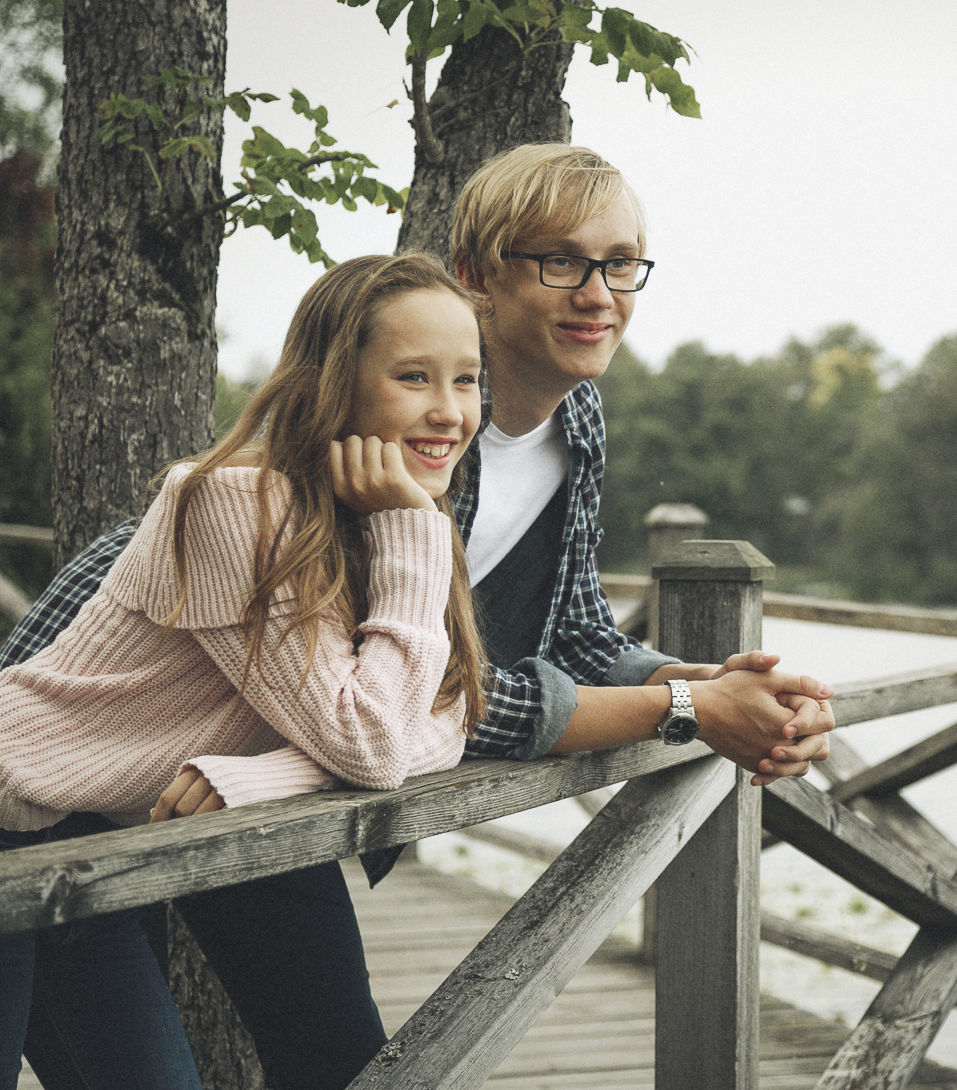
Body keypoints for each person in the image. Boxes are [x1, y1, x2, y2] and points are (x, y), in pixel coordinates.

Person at [3, 144, 834, 1089]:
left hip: (259, 748)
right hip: (85, 761)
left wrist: (706, 682)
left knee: (340, 1060)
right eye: (560, 260)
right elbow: (437, 700)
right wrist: (685, 715)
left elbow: (565, 634)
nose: (598, 291)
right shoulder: (388, 451)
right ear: (477, 278)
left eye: (620, 263)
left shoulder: (577, 424)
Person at [0, 252, 489, 1089]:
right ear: (333, 384)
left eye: (467, 379)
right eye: (415, 377)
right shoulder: (233, 504)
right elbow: (375, 744)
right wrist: (419, 534)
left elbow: (449, 718)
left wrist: (270, 775)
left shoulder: (375, 525)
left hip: (99, 842)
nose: (449, 411)